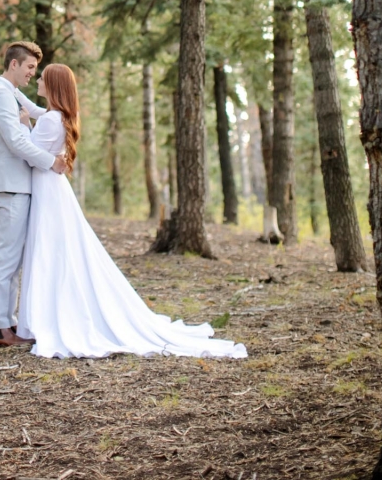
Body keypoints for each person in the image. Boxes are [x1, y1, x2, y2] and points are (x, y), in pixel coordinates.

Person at [17, 63, 248, 361]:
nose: (37, 80)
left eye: (42, 78)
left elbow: (30, 152)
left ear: (54, 86)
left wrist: (23, 124)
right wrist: (16, 95)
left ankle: (47, 317)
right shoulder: (57, 116)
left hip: (48, 190)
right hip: (54, 189)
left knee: (49, 251)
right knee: (57, 250)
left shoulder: (50, 120)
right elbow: (40, 113)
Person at [0, 41, 67, 348]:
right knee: (6, 257)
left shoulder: (7, 92)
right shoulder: (0, 97)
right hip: (11, 184)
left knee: (13, 258)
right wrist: (51, 161)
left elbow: (39, 112)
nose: (33, 73)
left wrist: (64, 110)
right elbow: (17, 143)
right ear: (14, 65)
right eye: (30, 67)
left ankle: (7, 323)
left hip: (18, 184)